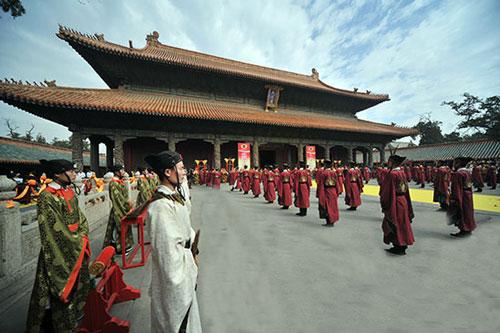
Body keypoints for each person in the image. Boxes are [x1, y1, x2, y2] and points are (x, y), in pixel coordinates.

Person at [26, 159, 91, 332]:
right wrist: (76, 240)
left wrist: (82, 234)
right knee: (55, 287)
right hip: (58, 248)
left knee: (80, 283)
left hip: (77, 244)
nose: (74, 174)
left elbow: (80, 217)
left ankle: (76, 315)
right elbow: (52, 228)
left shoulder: (68, 191)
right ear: (57, 174)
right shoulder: (46, 196)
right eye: (70, 171)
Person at [144, 151, 202, 333]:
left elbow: (185, 224)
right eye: (181, 168)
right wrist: (181, 280)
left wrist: (193, 253)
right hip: (176, 272)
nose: (185, 172)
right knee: (175, 321)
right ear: (168, 172)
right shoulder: (161, 206)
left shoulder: (172, 198)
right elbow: (166, 252)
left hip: (185, 260)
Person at [380, 155, 415, 255]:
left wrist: (384, 203)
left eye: (389, 161)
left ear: (392, 162)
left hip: (395, 202)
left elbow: (387, 191)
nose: (388, 163)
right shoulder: (402, 173)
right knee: (403, 224)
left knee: (395, 224)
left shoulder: (392, 174)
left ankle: (399, 245)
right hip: (403, 200)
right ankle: (403, 244)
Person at [102, 165, 134, 253]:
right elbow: (117, 199)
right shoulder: (113, 183)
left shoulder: (119, 182)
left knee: (118, 229)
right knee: (118, 229)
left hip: (122, 207)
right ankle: (119, 248)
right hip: (118, 208)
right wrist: (125, 208)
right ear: (117, 172)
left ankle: (122, 246)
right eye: (122, 170)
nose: (123, 171)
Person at [448, 157, 476, 237]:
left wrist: (454, 198)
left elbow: (456, 187)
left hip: (462, 194)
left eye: (455, 162)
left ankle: (464, 229)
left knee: (462, 212)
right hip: (468, 194)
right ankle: (468, 228)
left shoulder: (458, 174)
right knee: (468, 212)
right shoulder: (467, 172)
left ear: (458, 163)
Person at [318, 160, 341, 227]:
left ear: (325, 165)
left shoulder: (323, 173)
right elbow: (337, 183)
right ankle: (332, 220)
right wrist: (338, 191)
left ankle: (329, 221)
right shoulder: (334, 173)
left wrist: (320, 194)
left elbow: (321, 185)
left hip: (326, 191)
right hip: (333, 190)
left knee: (327, 206)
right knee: (333, 206)